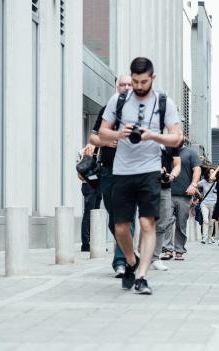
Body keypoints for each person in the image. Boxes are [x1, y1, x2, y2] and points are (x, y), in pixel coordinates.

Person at [99, 57, 183, 294]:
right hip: (122, 171)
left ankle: (142, 276)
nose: (138, 86)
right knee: (121, 227)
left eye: (143, 81)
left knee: (147, 223)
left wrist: (152, 136)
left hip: (149, 170)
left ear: (152, 78)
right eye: (134, 81)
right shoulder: (119, 99)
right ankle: (132, 261)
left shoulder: (164, 102)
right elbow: (101, 133)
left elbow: (177, 137)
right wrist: (118, 133)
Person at [89, 74, 134, 277]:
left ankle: (121, 262)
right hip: (108, 170)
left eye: (129, 84)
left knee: (127, 217)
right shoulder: (107, 111)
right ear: (117, 88)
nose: (125, 87)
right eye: (122, 84)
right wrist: (106, 142)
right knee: (114, 218)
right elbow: (92, 137)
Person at [166, 142, 201, 260]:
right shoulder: (166, 151)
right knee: (167, 222)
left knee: (181, 224)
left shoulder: (191, 153)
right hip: (167, 193)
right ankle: (168, 249)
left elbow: (197, 170)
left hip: (184, 195)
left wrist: (194, 185)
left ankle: (179, 250)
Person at [150, 145, 181, 270]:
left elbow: (177, 164)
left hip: (164, 187)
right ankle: (141, 254)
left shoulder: (169, 143)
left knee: (162, 222)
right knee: (146, 221)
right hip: (145, 185)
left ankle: (155, 258)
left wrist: (172, 176)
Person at [77, 144, 102, 252]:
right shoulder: (87, 150)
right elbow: (80, 171)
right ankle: (86, 244)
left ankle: (94, 243)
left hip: (97, 185)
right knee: (89, 214)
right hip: (89, 185)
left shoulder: (102, 149)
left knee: (96, 215)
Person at [198, 168, 217, 244]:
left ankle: (210, 237)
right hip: (204, 204)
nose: (214, 173)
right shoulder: (204, 182)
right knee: (205, 220)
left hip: (214, 204)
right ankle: (204, 237)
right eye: (212, 172)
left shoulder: (217, 182)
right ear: (208, 174)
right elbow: (195, 185)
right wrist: (199, 194)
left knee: (211, 222)